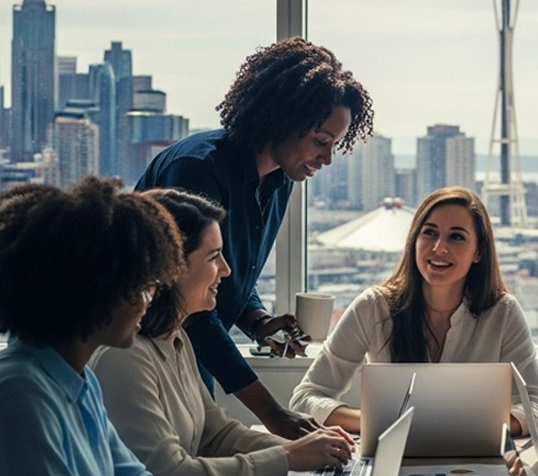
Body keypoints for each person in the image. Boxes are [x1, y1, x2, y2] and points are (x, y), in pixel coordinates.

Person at [0, 178, 342, 476]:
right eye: (139, 284)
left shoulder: (75, 381)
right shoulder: (17, 393)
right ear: (91, 291)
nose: (150, 297)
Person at [135, 37, 374, 439]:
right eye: (320, 141)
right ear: (281, 118)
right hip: (146, 354)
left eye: (335, 144)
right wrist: (272, 413)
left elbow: (231, 273)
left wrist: (258, 321)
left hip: (192, 358)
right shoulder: (196, 170)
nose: (327, 158)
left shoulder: (281, 182)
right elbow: (189, 301)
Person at [93, 189, 356, 476]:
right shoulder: (125, 358)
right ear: (171, 267)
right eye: (214, 257)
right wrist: (288, 457)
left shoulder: (177, 339)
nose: (226, 271)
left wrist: (309, 450)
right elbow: (169, 474)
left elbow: (215, 435)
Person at [289, 187, 538, 435]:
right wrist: (375, 422)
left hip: (471, 460)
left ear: (478, 252)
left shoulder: (503, 312)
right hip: (389, 456)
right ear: (414, 240)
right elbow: (303, 399)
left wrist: (468, 426)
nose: (439, 247)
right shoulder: (373, 306)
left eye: (457, 237)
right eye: (429, 233)